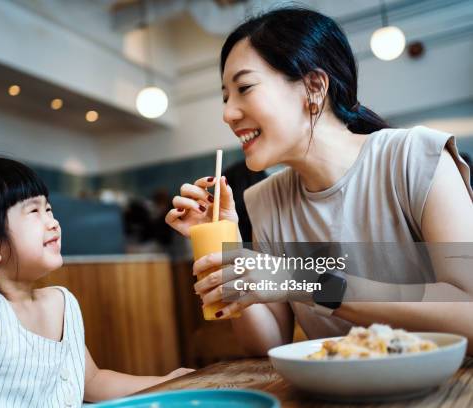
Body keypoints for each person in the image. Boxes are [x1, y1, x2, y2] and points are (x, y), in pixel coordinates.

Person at [165, 7, 473, 355]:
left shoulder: (416, 157)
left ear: (314, 86)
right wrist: (231, 253)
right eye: (225, 97)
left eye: (244, 88)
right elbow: (267, 345)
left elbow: (469, 311)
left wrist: (303, 282)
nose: (227, 113)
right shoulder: (265, 199)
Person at [0, 157, 192, 407]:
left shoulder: (61, 302)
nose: (53, 222)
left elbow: (92, 381)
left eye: (49, 209)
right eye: (34, 212)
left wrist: (169, 382)